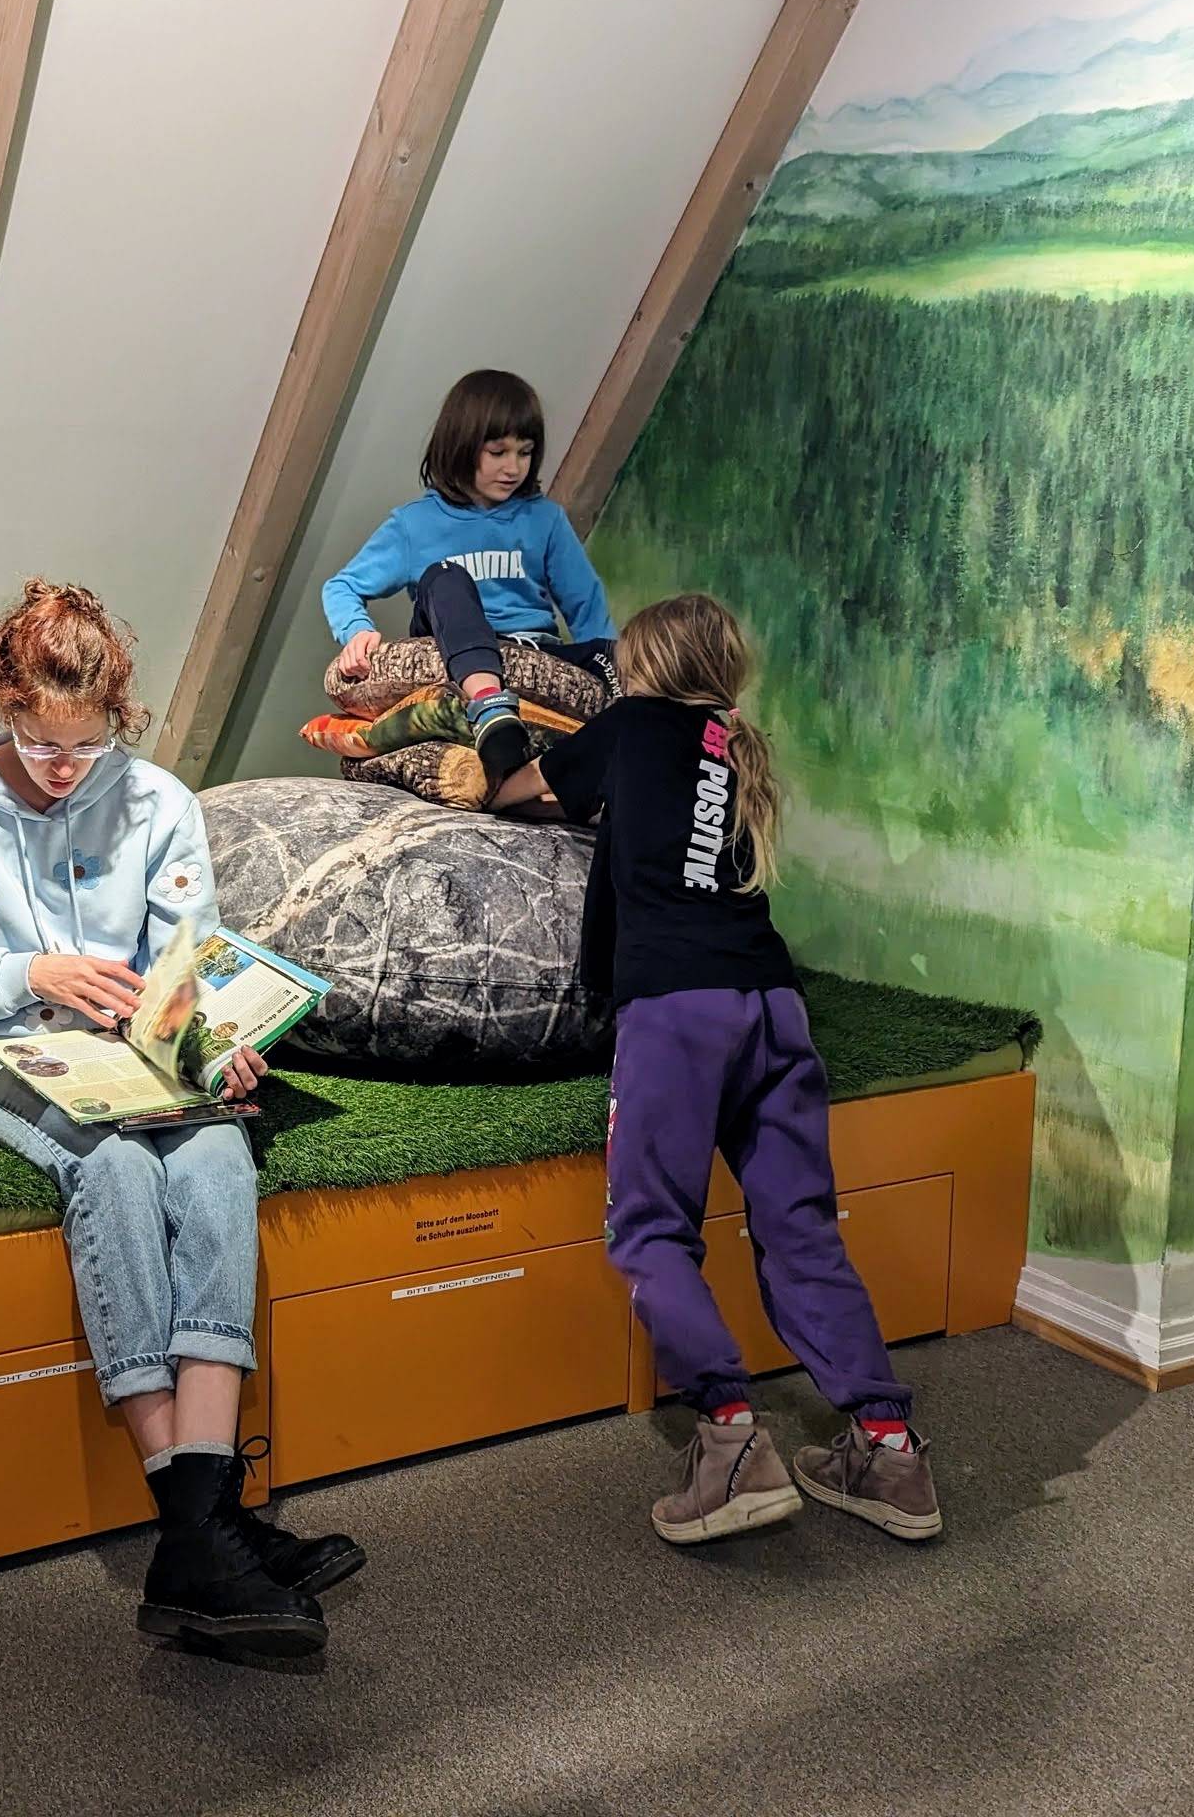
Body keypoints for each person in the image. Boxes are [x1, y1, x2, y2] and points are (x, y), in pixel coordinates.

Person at [0, 580, 363, 1655]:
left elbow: (188, 969)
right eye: (40, 743)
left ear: (118, 718)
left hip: (135, 1053)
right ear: (6, 706)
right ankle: (206, 1528)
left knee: (219, 1154)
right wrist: (27, 971)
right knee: (115, 1169)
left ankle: (200, 1528)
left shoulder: (157, 801)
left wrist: (219, 1043)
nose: (63, 767)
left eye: (87, 745)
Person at [492, 593, 942, 1545]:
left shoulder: (628, 727)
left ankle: (732, 1441)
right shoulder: (733, 745)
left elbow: (515, 791)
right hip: (773, 1004)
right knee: (802, 1229)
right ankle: (888, 1447)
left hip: (677, 1012)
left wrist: (499, 727)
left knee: (652, 1229)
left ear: (642, 667)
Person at [322, 369, 618, 797]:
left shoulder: (545, 519)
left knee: (626, 651)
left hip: (535, 647)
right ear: (461, 447)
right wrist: (357, 632)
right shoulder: (414, 524)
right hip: (452, 644)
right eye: (498, 452)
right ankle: (488, 705)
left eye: (525, 453)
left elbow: (587, 606)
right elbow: (342, 586)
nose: (513, 468)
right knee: (444, 575)